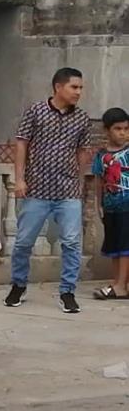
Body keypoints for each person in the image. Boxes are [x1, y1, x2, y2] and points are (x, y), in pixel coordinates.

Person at [5, 67, 94, 313]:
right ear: (58, 87)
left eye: (80, 88)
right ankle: (19, 284)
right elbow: (22, 144)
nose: (79, 92)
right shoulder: (36, 111)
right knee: (23, 242)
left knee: (72, 243)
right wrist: (20, 179)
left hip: (67, 191)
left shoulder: (82, 118)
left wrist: (78, 179)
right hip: (36, 189)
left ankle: (67, 291)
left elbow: (83, 151)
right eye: (74, 87)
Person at [91, 108, 129, 300]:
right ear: (107, 130)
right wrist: (99, 203)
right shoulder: (100, 155)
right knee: (115, 246)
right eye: (118, 129)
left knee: (125, 245)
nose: (123, 133)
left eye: (126, 129)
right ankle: (117, 282)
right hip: (111, 206)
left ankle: (122, 285)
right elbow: (98, 180)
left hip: (127, 206)